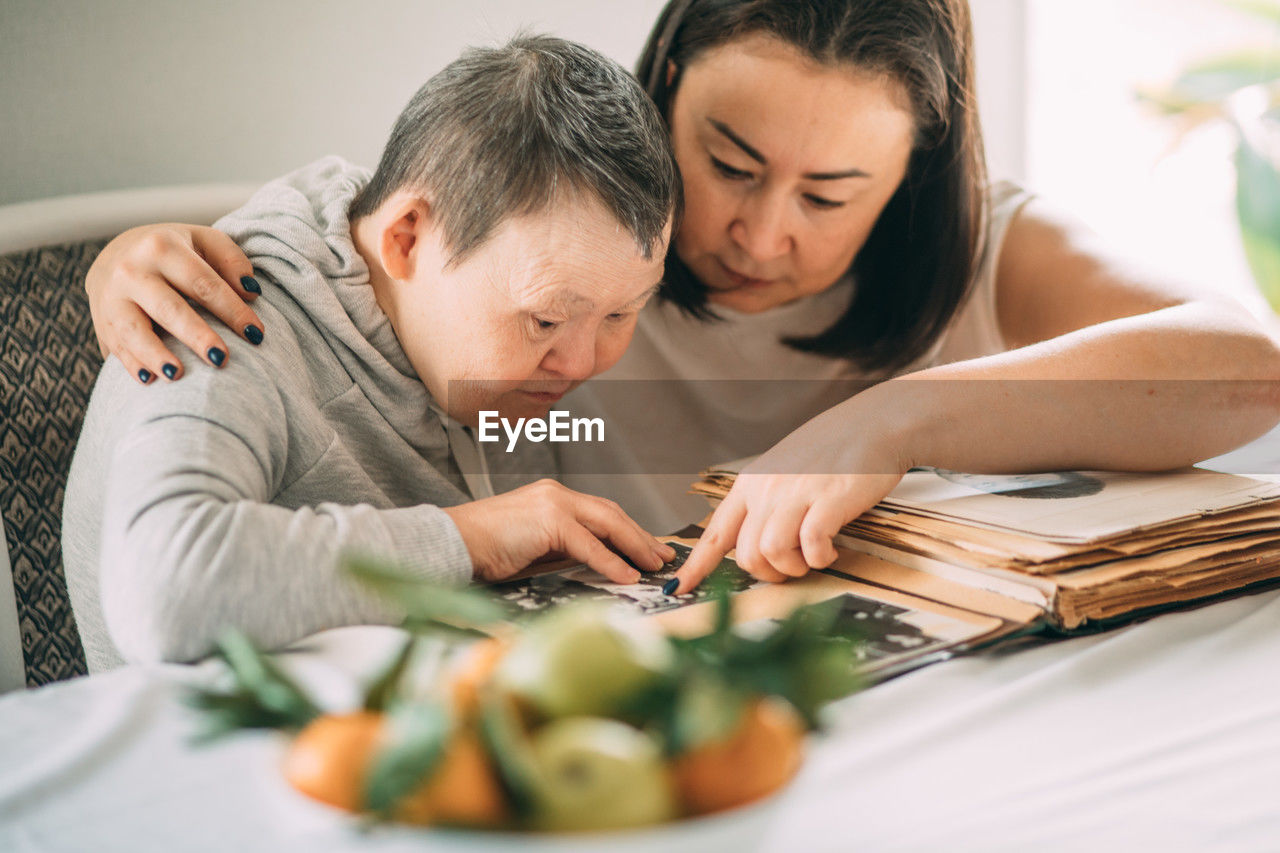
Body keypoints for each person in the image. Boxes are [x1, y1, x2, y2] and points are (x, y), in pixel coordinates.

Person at [82, 0, 1280, 602]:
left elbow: (1247, 366)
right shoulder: (566, 265)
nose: (761, 236)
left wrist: (889, 423)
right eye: (730, 163)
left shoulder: (983, 250)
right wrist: (139, 254)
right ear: (661, 89)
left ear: (911, 176)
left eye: (831, 193)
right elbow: (363, 264)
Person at [63, 35, 681, 670]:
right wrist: (470, 540)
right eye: (544, 318)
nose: (580, 364)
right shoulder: (217, 321)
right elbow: (163, 592)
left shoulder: (494, 309)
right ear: (407, 239)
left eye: (620, 314)